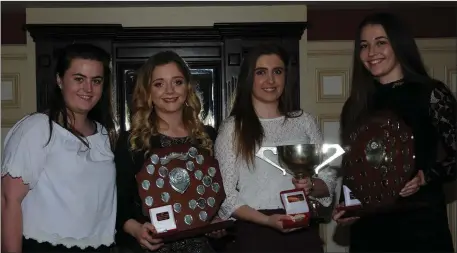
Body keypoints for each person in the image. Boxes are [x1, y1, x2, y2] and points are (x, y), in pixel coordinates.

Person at [333, 12, 457, 252]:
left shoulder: (430, 94)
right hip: (369, 232)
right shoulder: (355, 105)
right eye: (364, 46)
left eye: (381, 42)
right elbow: (354, 167)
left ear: (399, 45)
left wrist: (426, 176)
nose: (371, 53)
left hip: (420, 228)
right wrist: (347, 207)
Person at [214, 43, 337, 252]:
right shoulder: (233, 128)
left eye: (277, 72)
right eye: (261, 72)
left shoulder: (304, 121)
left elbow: (328, 179)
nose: (270, 80)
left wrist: (310, 185)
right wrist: (267, 221)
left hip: (302, 229)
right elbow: (226, 197)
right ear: (248, 78)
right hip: (255, 234)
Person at [1, 43, 117, 252]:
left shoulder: (103, 134)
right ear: (59, 80)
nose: (88, 89)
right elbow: (9, 201)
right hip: (45, 247)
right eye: (79, 79)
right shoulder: (37, 128)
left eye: (96, 81)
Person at [114, 50, 223, 253]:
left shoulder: (208, 137)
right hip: (153, 247)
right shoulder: (133, 141)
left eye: (177, 82)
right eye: (159, 84)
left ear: (187, 87)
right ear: (148, 92)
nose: (170, 90)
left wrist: (216, 221)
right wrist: (136, 229)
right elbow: (118, 202)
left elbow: (219, 194)